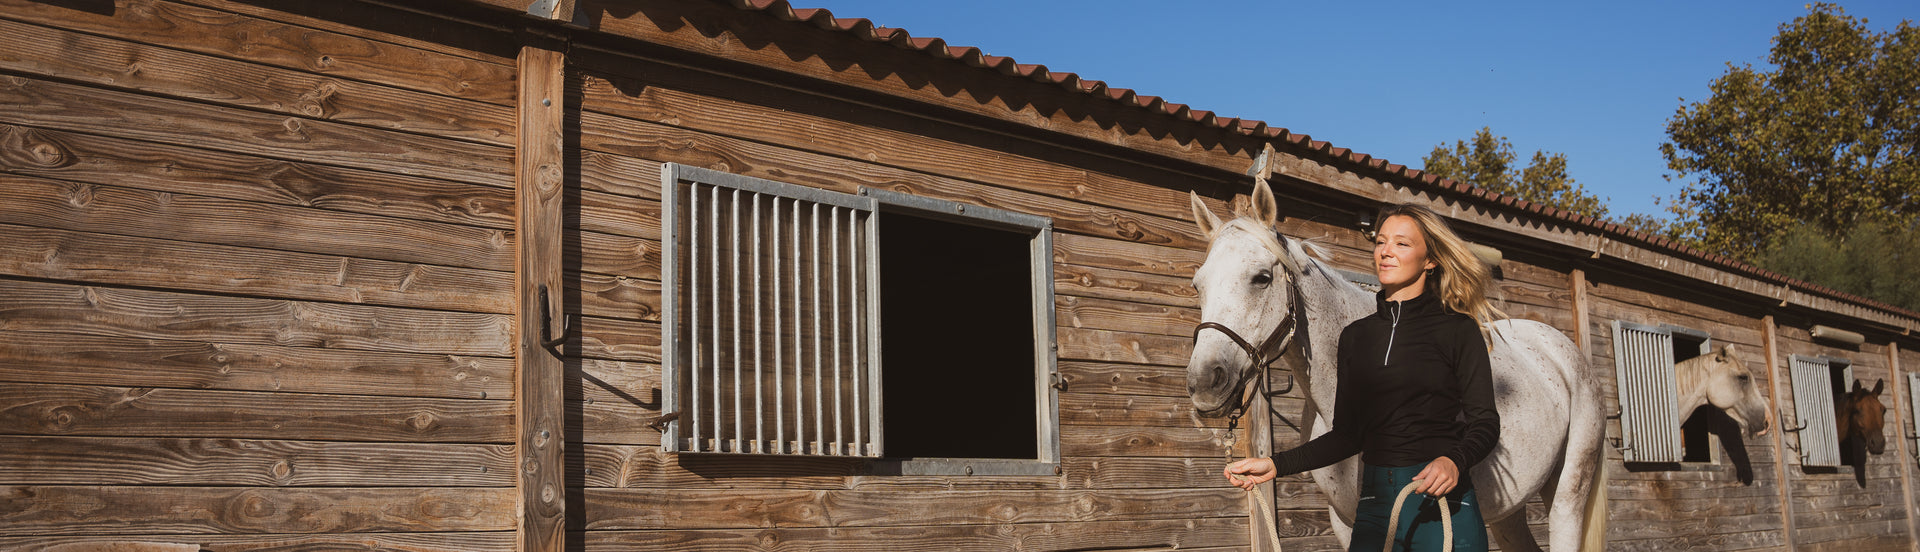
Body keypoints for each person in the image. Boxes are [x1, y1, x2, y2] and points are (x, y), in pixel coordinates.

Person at [1224, 203, 1501, 552]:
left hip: (1443, 507)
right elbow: (1348, 435)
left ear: (1430, 260)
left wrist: (1454, 461)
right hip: (1374, 506)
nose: (1385, 251)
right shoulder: (1356, 337)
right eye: (1381, 241)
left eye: (1402, 244)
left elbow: (1486, 422)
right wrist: (1275, 465)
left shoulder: (1458, 330)